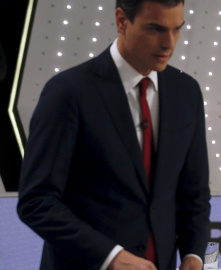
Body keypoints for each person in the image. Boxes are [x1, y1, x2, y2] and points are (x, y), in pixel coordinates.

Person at [16, 1, 211, 270]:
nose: (169, 43)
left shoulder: (187, 92)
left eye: (177, 29)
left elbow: (195, 194)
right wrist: (110, 257)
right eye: (155, 29)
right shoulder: (68, 92)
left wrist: (194, 255)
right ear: (121, 21)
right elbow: (37, 202)